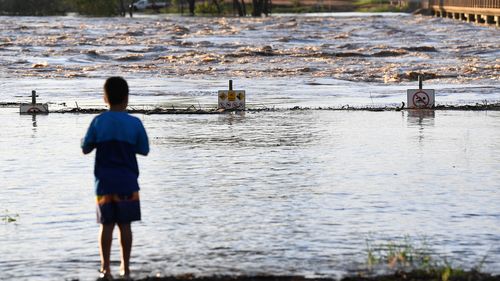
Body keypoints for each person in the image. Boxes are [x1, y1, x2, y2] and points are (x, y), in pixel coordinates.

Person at [81, 77, 149, 280]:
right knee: (125, 225)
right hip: (127, 181)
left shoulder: (98, 121)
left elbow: (85, 148)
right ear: (126, 99)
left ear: (105, 98)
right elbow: (144, 150)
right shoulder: (134, 123)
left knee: (106, 226)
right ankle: (125, 269)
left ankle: (105, 269)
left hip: (104, 182)